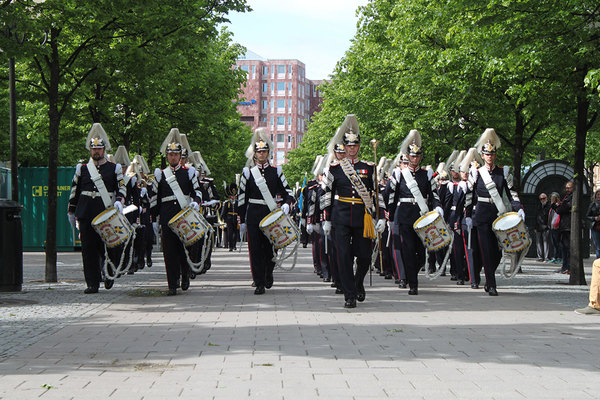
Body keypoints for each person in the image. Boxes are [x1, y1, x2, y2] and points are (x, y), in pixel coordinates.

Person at [322, 115, 385, 308]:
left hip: (362, 217)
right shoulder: (334, 169)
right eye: (348, 146)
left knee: (365, 256)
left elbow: (377, 194)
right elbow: (326, 195)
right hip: (340, 217)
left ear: (359, 147)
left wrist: (381, 216)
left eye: (355, 145)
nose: (351, 149)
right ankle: (349, 295)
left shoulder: (369, 167)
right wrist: (326, 219)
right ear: (344, 147)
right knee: (343, 257)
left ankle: (358, 283)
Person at [68, 123, 126, 294]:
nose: (96, 152)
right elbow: (74, 190)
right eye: (94, 149)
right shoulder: (83, 169)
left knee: (107, 246)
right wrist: (72, 211)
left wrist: (119, 201)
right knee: (88, 250)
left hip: (104, 213)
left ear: (104, 149)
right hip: (85, 212)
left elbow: (121, 187)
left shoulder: (113, 168)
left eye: (99, 149)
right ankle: (92, 283)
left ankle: (108, 273)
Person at [465, 128, 524, 296]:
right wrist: (468, 215)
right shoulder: (476, 172)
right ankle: (491, 284)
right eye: (487, 154)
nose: (489, 157)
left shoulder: (502, 173)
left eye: (492, 154)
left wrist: (519, 208)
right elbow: (469, 195)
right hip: (482, 215)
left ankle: (489, 277)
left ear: (495, 155)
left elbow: (512, 192)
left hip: (498, 216)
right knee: (485, 250)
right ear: (482, 156)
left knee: (498, 253)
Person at [237, 128, 294, 295]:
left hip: (271, 214)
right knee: (255, 249)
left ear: (269, 153)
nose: (262, 154)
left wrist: (286, 204)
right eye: (259, 151)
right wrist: (242, 219)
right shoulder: (248, 172)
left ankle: (268, 271)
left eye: (265, 151)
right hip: (254, 213)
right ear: (254, 154)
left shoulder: (276, 171)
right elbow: (242, 198)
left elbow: (288, 192)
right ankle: (259, 281)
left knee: (270, 249)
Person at [386, 129, 442, 295]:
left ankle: (412, 275)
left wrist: (438, 206)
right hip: (404, 216)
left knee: (421, 251)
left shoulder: (427, 175)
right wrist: (389, 215)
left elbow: (434, 194)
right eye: (412, 156)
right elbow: (392, 197)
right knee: (408, 250)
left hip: (422, 217)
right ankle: (413, 284)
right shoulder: (400, 174)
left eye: (417, 156)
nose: (415, 159)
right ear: (408, 156)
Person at [150, 128, 203, 296]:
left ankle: (185, 274)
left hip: (184, 216)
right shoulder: (160, 174)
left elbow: (197, 191)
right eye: (170, 155)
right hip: (167, 216)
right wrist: (154, 217)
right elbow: (154, 197)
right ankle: (172, 284)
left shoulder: (189, 173)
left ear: (180, 156)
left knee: (184, 249)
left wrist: (196, 202)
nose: (173, 157)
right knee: (169, 251)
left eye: (175, 154)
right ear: (167, 156)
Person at [552, 181, 573, 274]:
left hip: (567, 226)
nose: (567, 189)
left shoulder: (572, 197)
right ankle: (565, 266)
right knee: (564, 247)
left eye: (569, 187)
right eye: (566, 188)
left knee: (567, 248)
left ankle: (568, 267)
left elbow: (562, 209)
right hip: (564, 225)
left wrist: (557, 206)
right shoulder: (567, 197)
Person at [221, 183, 239, 251]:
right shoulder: (227, 202)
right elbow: (223, 212)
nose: (233, 196)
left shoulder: (237, 202)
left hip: (235, 218)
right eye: (232, 195)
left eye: (234, 195)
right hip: (229, 218)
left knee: (235, 232)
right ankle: (230, 246)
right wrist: (224, 219)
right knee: (230, 233)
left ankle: (234, 245)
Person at [535, 192, 551, 262]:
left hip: (545, 226)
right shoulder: (539, 206)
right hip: (539, 226)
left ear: (546, 198)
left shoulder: (549, 206)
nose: (542, 200)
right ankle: (540, 256)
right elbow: (536, 216)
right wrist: (535, 226)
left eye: (543, 198)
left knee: (545, 242)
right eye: (541, 199)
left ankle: (546, 257)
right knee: (538, 242)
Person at [548, 192, 562, 263]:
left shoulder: (558, 206)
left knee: (558, 243)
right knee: (554, 243)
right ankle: (555, 256)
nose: (552, 199)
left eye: (553, 198)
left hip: (557, 227)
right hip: (552, 226)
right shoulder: (551, 207)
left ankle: (559, 257)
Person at [586, 189, 600, 259]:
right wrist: (594, 218)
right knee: (598, 246)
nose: (599, 196)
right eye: (598, 194)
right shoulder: (592, 205)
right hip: (596, 227)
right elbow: (587, 216)